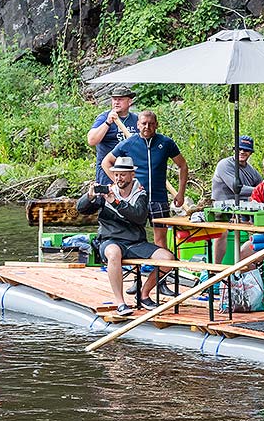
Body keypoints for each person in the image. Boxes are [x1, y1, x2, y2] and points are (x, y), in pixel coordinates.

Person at [75, 156, 175, 316]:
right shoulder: (107, 193)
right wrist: (90, 196)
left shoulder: (141, 194)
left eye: (122, 175)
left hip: (136, 242)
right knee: (114, 253)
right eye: (116, 175)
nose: (118, 178)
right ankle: (120, 302)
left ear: (131, 175)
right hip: (110, 240)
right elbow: (81, 209)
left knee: (168, 259)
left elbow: (139, 217)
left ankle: (143, 294)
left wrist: (116, 202)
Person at [103, 109, 188, 255]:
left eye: (150, 124)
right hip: (135, 198)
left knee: (160, 241)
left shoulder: (166, 143)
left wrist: (180, 193)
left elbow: (183, 165)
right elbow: (106, 162)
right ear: (137, 124)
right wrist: (120, 185)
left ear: (156, 125)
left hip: (158, 198)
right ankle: (138, 266)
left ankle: (160, 274)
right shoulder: (129, 143)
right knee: (132, 236)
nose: (147, 127)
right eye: (143, 123)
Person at [210, 135, 262, 262]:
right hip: (222, 208)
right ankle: (215, 269)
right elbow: (237, 189)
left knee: (260, 230)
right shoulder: (224, 165)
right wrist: (258, 190)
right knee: (222, 233)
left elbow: (262, 186)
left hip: (243, 209)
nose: (242, 152)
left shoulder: (251, 170)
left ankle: (248, 265)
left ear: (250, 152)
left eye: (246, 150)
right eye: (239, 149)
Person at [86, 86, 138, 185]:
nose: (116, 102)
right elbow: (91, 140)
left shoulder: (136, 119)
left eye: (120, 99)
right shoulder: (104, 117)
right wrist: (108, 123)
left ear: (129, 102)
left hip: (128, 173)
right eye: (114, 99)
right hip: (107, 173)